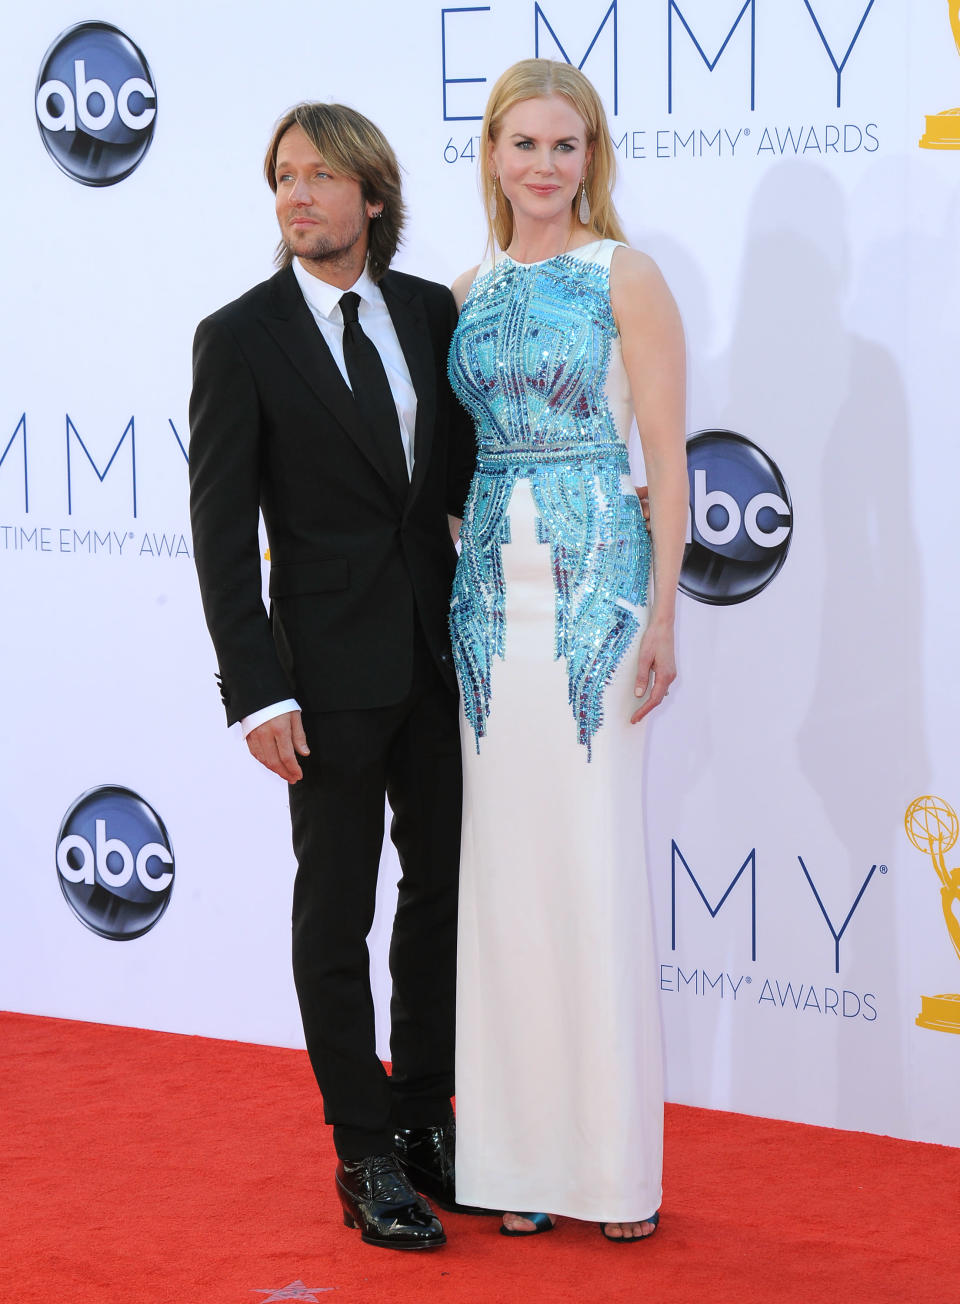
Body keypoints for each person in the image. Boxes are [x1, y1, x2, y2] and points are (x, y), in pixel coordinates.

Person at [188, 102, 475, 1251]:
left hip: (441, 658)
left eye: (321, 177)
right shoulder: (240, 336)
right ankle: (362, 1152)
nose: (298, 196)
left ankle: (423, 1117)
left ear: (373, 197)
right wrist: (258, 690)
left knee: (443, 892)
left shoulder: (428, 310)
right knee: (335, 911)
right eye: (284, 178)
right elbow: (217, 532)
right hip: (326, 678)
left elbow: (457, 475)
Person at [447, 60, 688, 1242]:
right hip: (490, 600)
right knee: (506, 883)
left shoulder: (624, 274)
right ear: (492, 156)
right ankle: (517, 1160)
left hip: (596, 585)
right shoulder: (463, 286)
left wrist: (668, 611)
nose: (546, 166)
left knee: (591, 870)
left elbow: (668, 453)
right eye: (524, 145)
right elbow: (445, 465)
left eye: (567, 145)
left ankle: (611, 1169)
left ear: (591, 157)